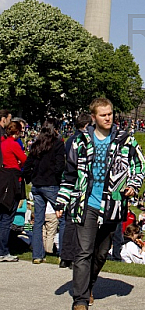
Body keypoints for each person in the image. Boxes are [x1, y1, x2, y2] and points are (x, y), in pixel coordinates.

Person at [55, 97, 145, 310]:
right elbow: (69, 175)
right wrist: (61, 201)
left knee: (102, 252)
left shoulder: (126, 140)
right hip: (86, 204)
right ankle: (80, 302)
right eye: (103, 115)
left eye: (110, 114)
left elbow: (140, 165)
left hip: (113, 205)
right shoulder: (80, 141)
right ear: (93, 117)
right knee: (83, 252)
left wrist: (133, 185)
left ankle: (89, 285)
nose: (108, 118)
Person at [24, 118, 66, 264]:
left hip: (37, 184)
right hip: (51, 184)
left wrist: (31, 177)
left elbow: (28, 164)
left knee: (38, 221)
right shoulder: (58, 144)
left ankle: (37, 254)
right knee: (63, 217)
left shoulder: (37, 144)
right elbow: (60, 164)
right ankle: (63, 253)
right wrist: (54, 175)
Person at [59, 113, 92, 269]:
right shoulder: (82, 141)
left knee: (69, 222)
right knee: (78, 223)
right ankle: (74, 257)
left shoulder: (70, 140)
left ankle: (65, 256)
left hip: (71, 184)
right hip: (79, 184)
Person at [0, 122, 27, 262]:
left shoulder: (2, 142)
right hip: (12, 179)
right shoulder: (13, 144)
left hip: (2, 177)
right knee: (7, 217)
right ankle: (3, 250)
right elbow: (24, 160)